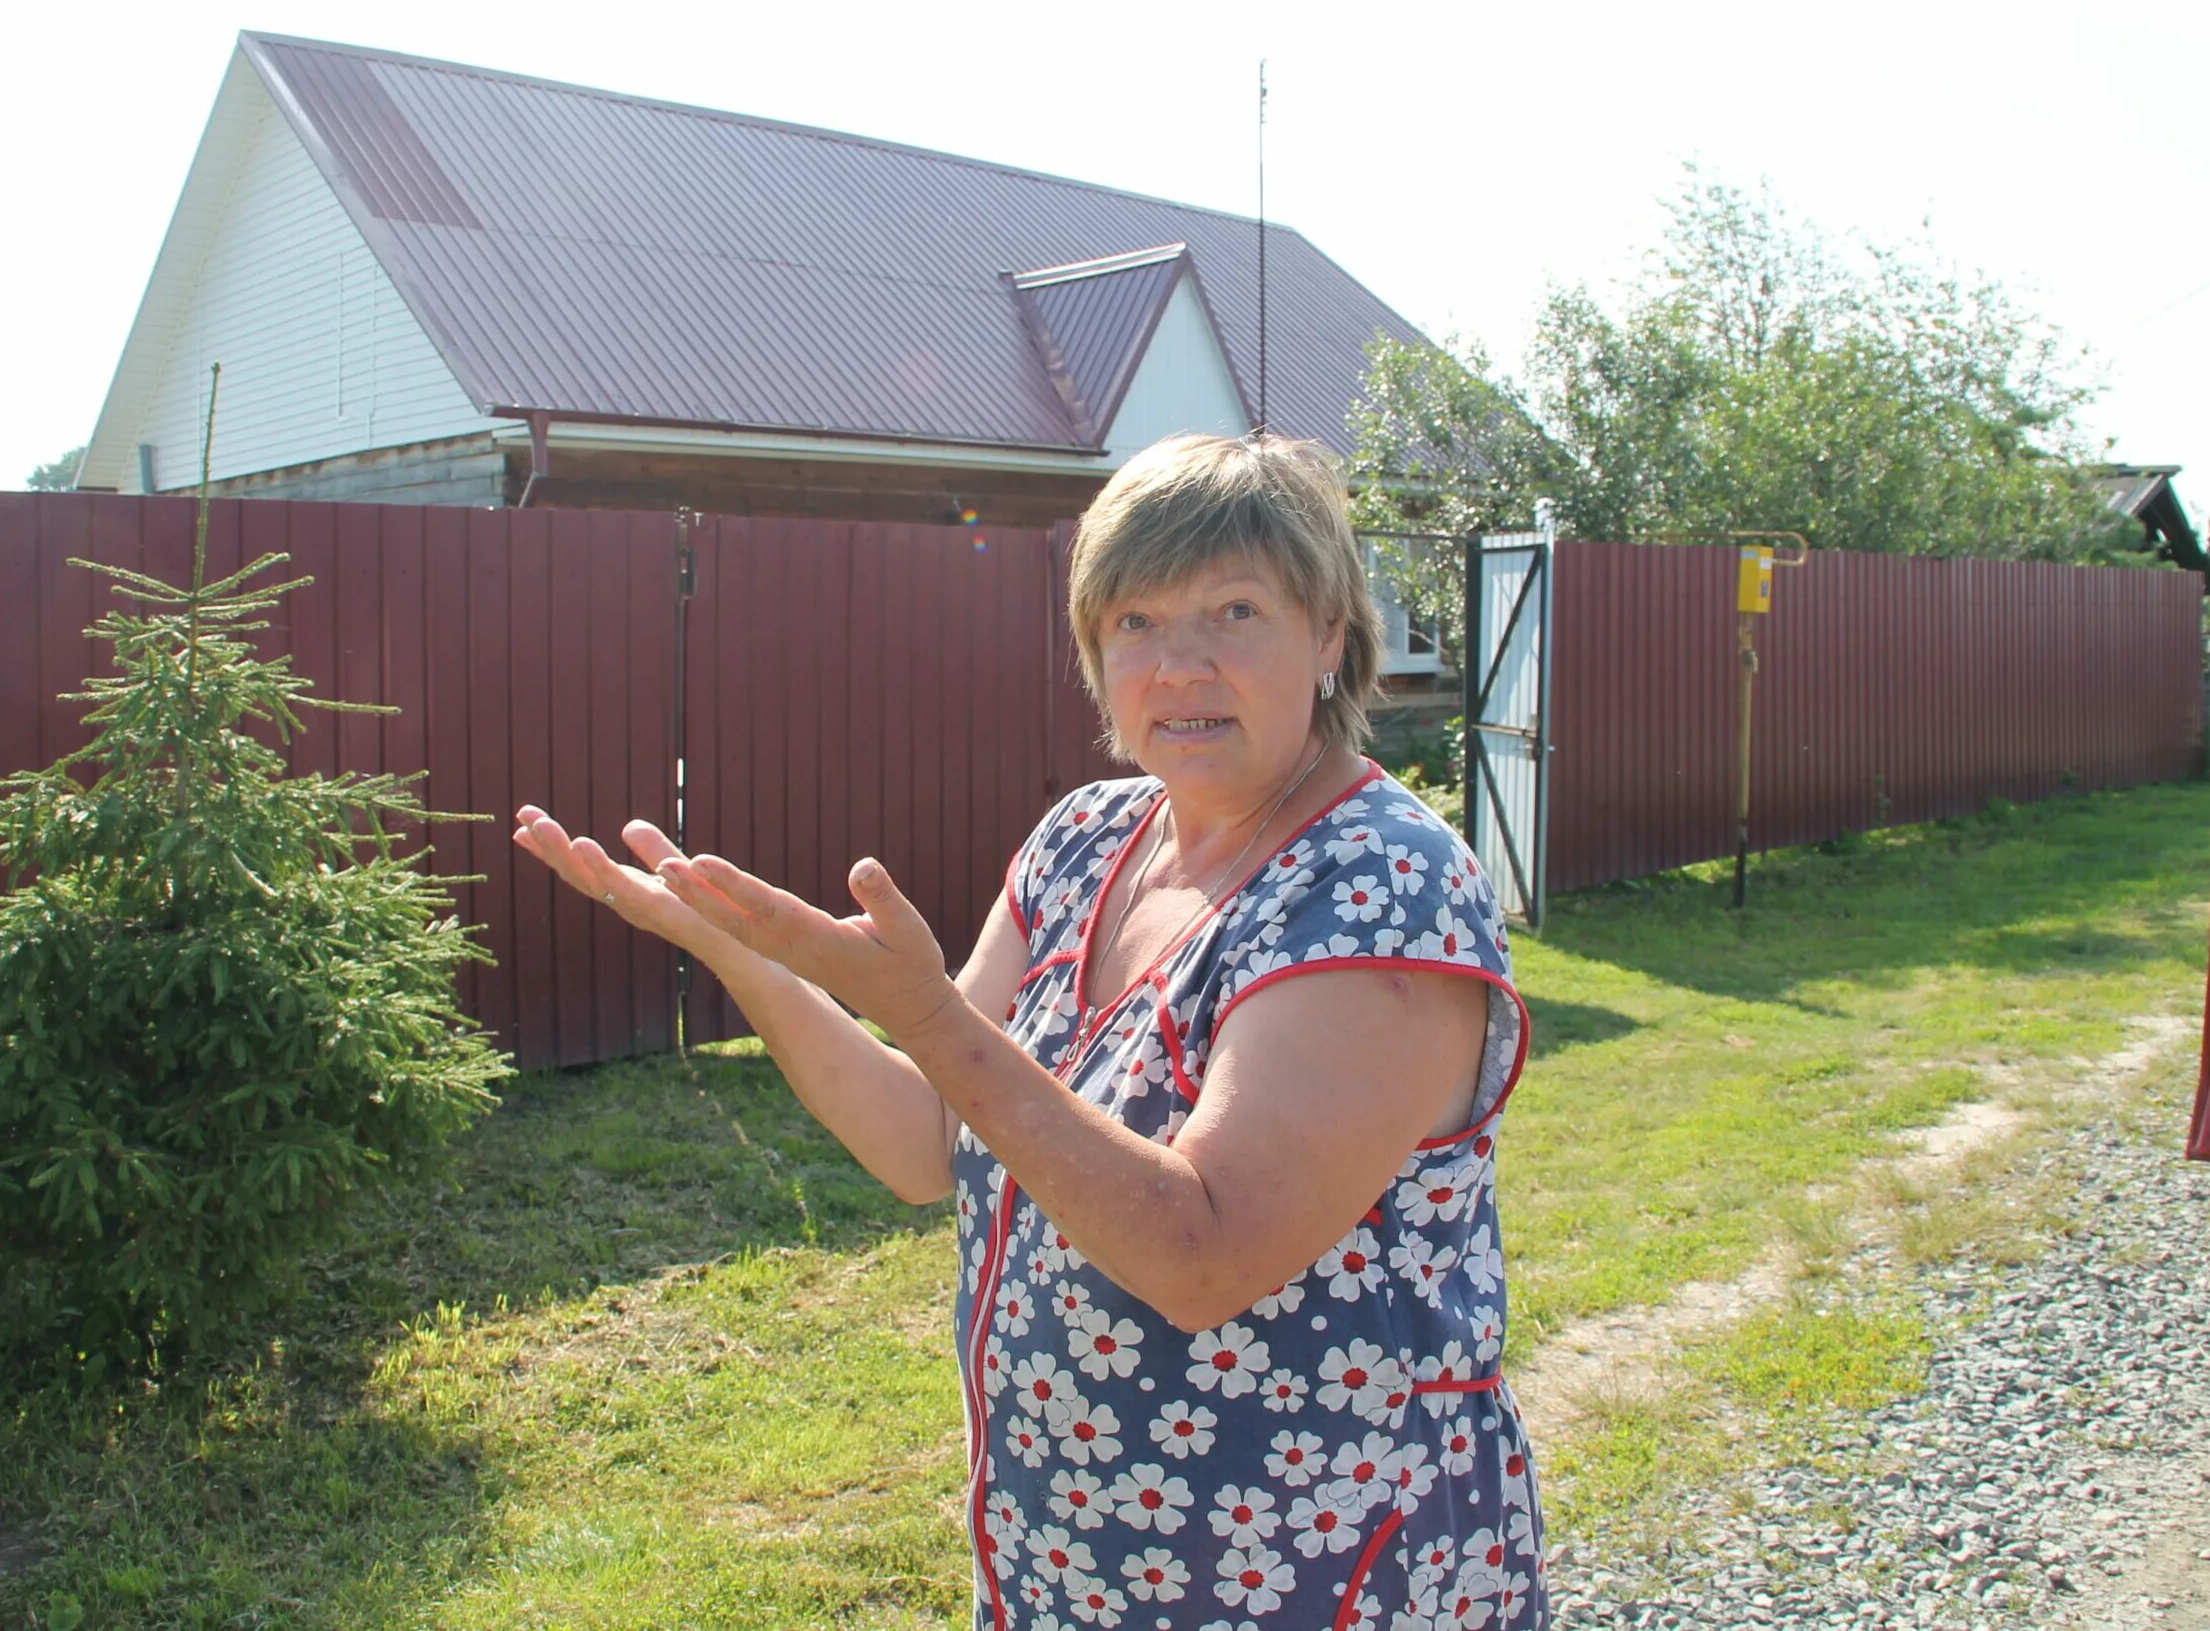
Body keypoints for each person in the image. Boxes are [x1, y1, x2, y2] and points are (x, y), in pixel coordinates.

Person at [513, 433, 1545, 1630]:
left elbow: (1202, 1253)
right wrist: (736, 952)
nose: (1181, 665)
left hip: (1314, 1567)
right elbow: (922, 1140)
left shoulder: (1381, 885)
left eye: (1236, 611)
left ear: (1328, 637)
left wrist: (929, 1015)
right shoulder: (1085, 840)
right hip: (1074, 1554)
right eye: (1135, 624)